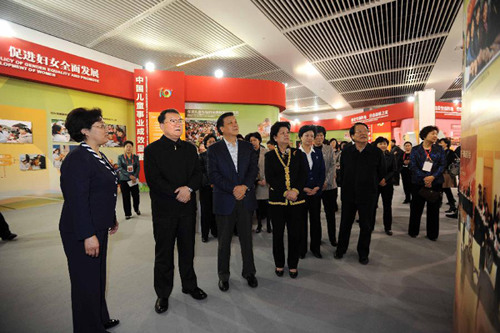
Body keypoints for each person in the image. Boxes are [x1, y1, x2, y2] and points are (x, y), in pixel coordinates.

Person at [59, 107, 120, 332]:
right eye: (101, 126)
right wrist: (87, 234)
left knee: (97, 278)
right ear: (85, 131)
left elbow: (101, 191)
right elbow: (77, 200)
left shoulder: (97, 155)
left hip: (97, 226)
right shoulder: (77, 159)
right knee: (85, 282)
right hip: (82, 231)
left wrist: (110, 218)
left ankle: (99, 318)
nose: (106, 129)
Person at [144, 109, 207, 314]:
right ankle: (163, 294)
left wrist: (188, 189)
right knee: (164, 253)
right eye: (172, 121)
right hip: (164, 210)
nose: (178, 124)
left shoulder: (190, 149)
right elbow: (154, 180)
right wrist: (176, 192)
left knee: (188, 250)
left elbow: (198, 174)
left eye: (179, 120)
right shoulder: (152, 149)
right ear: (161, 125)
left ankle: (190, 285)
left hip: (188, 208)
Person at [208, 112, 259, 292]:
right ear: (221, 129)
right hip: (225, 199)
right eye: (230, 123)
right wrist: (233, 189)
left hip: (245, 198)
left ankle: (249, 272)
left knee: (247, 239)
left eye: (235, 122)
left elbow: (254, 170)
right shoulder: (214, 150)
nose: (235, 125)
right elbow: (213, 174)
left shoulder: (248, 147)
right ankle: (223, 275)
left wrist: (244, 187)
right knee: (224, 241)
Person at [334, 122, 385, 265]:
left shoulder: (376, 152)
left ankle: (363, 253)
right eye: (359, 131)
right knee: (345, 223)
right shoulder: (347, 152)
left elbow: (381, 172)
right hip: (349, 194)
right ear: (352, 136)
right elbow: (342, 173)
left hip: (368, 195)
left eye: (365, 131)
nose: (363, 133)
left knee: (366, 225)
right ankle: (341, 249)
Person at [265, 122, 307, 278]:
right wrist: (285, 192)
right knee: (278, 234)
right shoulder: (269, 156)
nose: (286, 135)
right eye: (282, 133)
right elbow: (271, 177)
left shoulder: (298, 154)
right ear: (275, 137)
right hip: (277, 201)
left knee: (295, 233)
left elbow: (303, 174)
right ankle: (279, 264)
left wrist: (295, 191)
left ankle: (293, 264)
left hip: (297, 200)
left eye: (287, 132)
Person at [408, 126, 446, 241]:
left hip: (435, 183)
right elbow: (412, 166)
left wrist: (432, 177)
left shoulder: (439, 149)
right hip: (418, 183)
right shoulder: (415, 150)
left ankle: (432, 234)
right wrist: (425, 178)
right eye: (432, 133)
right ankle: (413, 231)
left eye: (436, 134)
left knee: (433, 210)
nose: (435, 136)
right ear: (424, 135)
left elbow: (442, 165)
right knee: (416, 209)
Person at [298, 125, 325, 259]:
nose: (309, 138)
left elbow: (322, 172)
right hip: (301, 193)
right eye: (306, 135)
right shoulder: (295, 153)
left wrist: (317, 187)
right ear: (300, 137)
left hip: (315, 193)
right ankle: (301, 249)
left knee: (316, 221)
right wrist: (302, 188)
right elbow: (293, 175)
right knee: (301, 222)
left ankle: (315, 248)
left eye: (312, 136)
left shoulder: (318, 153)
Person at [314, 126, 338, 246]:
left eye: (321, 135)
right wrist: (318, 183)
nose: (319, 138)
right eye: (317, 135)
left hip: (329, 187)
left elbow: (333, 166)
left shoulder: (329, 149)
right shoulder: (309, 149)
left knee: (330, 214)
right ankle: (317, 238)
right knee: (315, 215)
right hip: (315, 188)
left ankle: (332, 237)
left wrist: (326, 181)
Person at [245, 132, 271, 233]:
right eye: (251, 141)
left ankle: (269, 225)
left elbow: (270, 168)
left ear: (259, 140)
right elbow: (248, 170)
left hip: (266, 183)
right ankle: (259, 225)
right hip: (254, 184)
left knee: (268, 207)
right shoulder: (248, 154)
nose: (253, 142)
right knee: (258, 207)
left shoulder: (266, 152)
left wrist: (266, 179)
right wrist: (257, 180)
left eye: (255, 140)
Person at [372, 137, 396, 236]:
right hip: (375, 184)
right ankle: (370, 225)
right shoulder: (372, 156)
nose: (383, 145)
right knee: (372, 206)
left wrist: (385, 179)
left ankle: (388, 227)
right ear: (376, 145)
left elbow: (394, 170)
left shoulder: (390, 156)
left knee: (387, 206)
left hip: (387, 184)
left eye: (385, 143)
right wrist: (378, 180)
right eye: (380, 143)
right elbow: (371, 170)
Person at [199, 134, 218, 242]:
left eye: (214, 141)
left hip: (218, 188)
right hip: (206, 188)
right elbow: (201, 173)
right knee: (206, 211)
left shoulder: (220, 157)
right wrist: (210, 183)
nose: (212, 143)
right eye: (210, 142)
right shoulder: (201, 156)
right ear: (206, 144)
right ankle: (205, 234)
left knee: (216, 210)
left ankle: (215, 231)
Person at [117, 140, 141, 220]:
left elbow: (138, 167)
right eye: (127, 146)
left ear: (132, 148)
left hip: (134, 180)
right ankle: (127, 213)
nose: (128, 148)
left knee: (136, 196)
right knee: (126, 197)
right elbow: (120, 168)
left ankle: (136, 208)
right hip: (124, 180)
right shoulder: (120, 157)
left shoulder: (136, 157)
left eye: (130, 146)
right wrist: (129, 176)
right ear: (124, 148)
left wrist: (134, 176)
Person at [438, 138, 457, 214]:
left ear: (446, 144)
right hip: (440, 173)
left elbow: (449, 162)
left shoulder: (450, 152)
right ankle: (452, 206)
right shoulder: (440, 152)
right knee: (442, 190)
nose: (440, 144)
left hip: (446, 173)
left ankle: (452, 206)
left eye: (441, 143)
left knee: (445, 189)